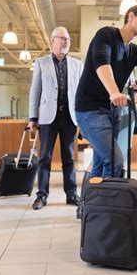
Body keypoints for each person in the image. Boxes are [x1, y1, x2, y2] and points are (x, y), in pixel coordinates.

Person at [75, 5, 137, 179]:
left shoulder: (134, 51)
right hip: (90, 110)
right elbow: (101, 63)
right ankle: (102, 204)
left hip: (112, 111)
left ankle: (88, 205)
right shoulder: (107, 35)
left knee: (100, 162)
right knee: (114, 161)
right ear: (130, 16)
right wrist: (114, 92)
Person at [28, 27, 83, 210]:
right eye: (62, 38)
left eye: (68, 38)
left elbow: (81, 92)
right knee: (44, 157)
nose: (66, 41)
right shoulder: (41, 63)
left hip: (69, 117)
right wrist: (32, 117)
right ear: (53, 41)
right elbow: (35, 91)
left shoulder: (77, 64)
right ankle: (42, 196)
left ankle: (72, 194)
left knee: (69, 158)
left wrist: (83, 117)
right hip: (47, 118)